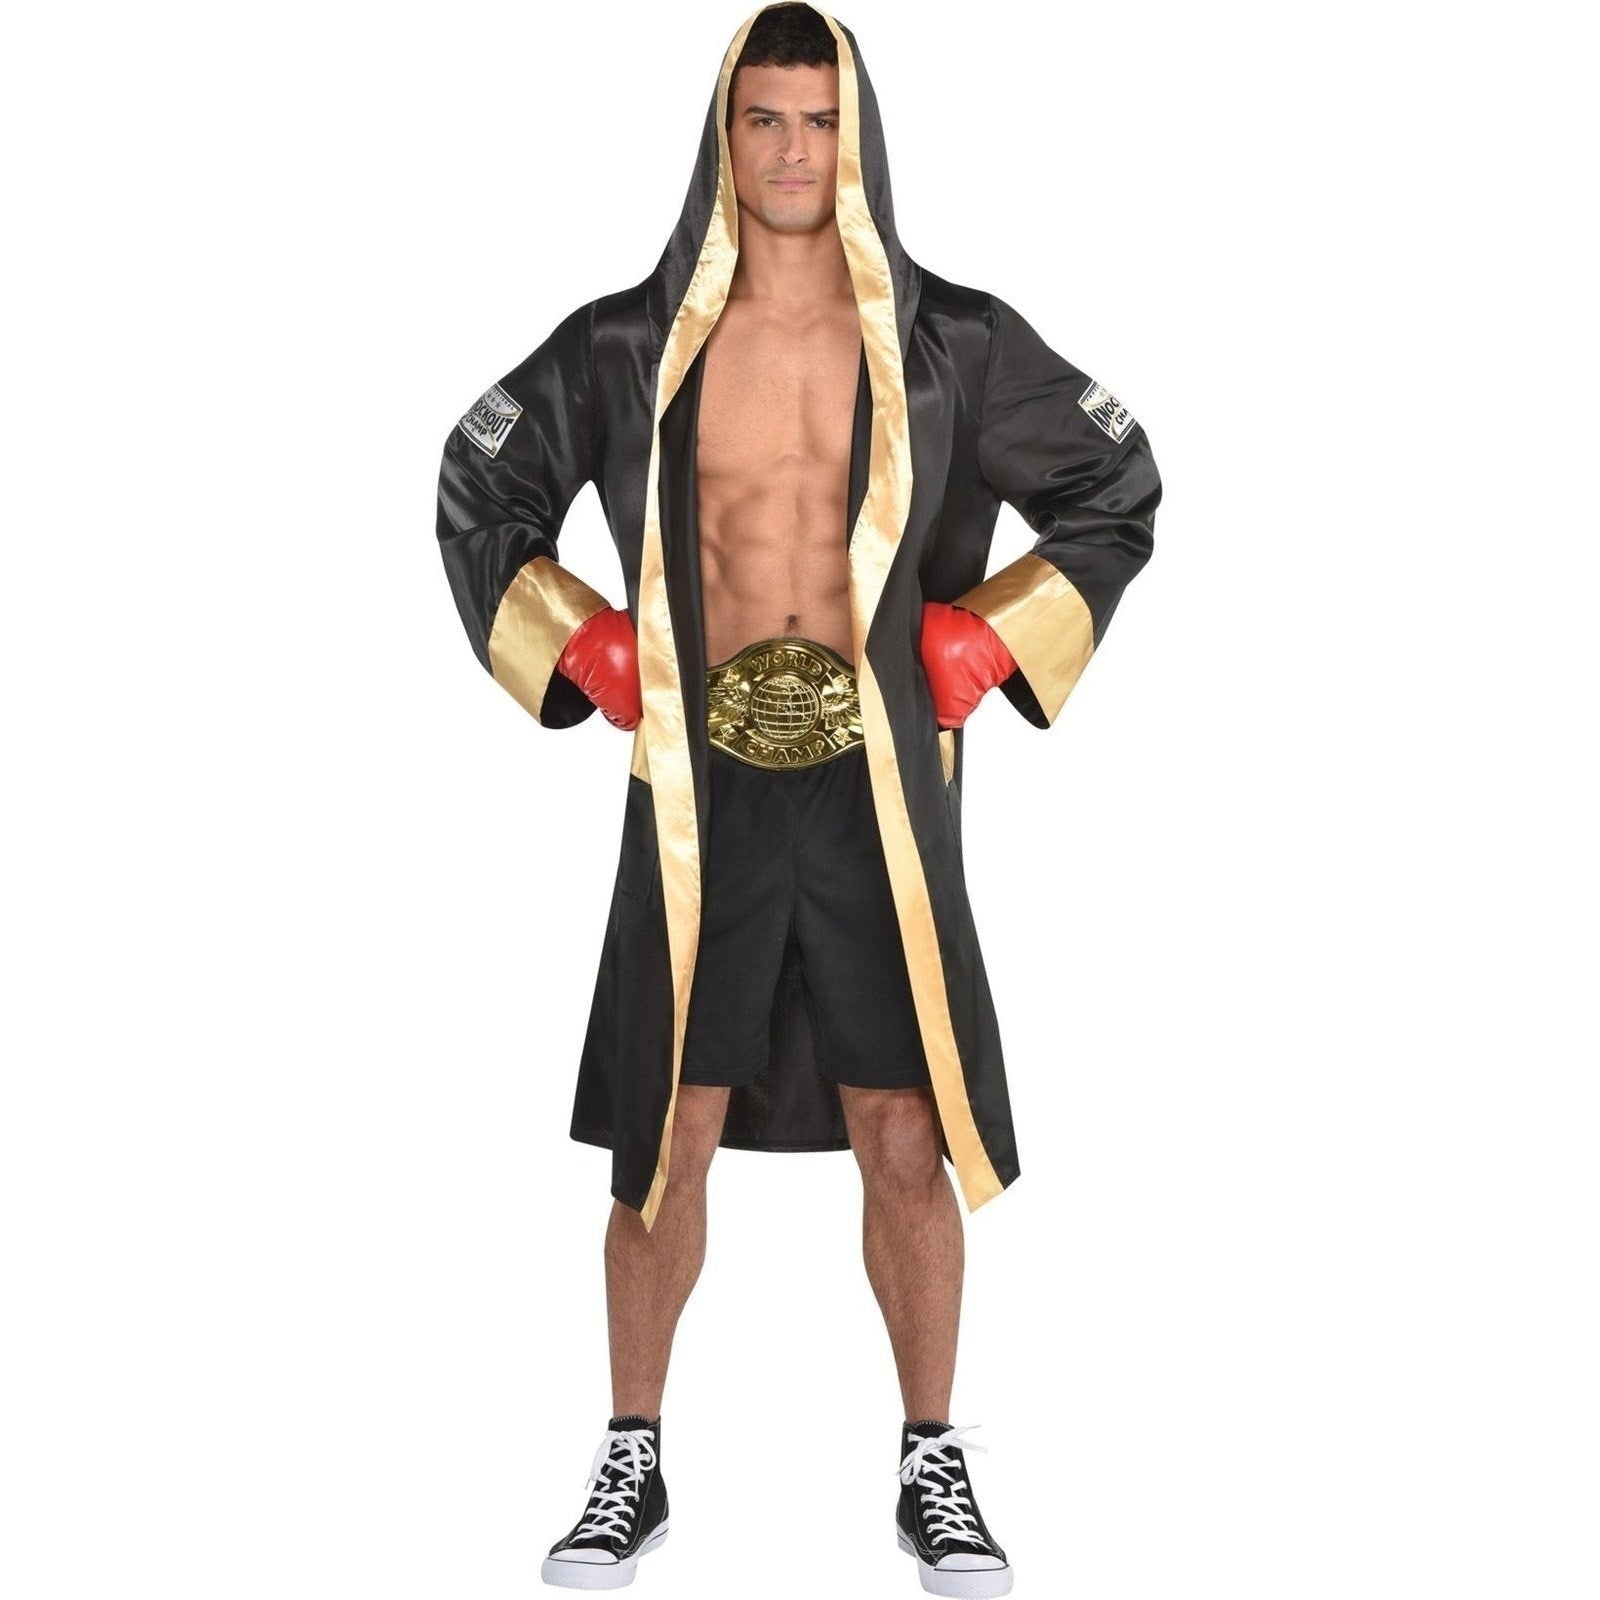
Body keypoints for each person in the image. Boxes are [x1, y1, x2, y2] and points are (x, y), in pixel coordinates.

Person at [434, 5, 1160, 1592]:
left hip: (876, 786)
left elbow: (1117, 481)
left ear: (859, 136)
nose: (790, 151)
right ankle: (631, 1455)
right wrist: (585, 642)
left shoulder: (952, 342)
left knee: (903, 1125)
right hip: (695, 793)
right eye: (763, 119)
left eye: (818, 121)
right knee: (667, 1125)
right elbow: (478, 476)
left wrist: (993, 633)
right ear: (725, 134)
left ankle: (932, 1460)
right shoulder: (627, 345)